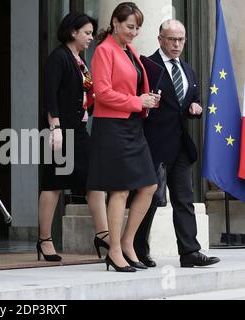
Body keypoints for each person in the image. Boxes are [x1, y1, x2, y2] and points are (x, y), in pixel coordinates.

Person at [134, 20, 220, 268]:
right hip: (154, 144)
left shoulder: (187, 69)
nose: (177, 44)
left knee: (184, 199)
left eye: (181, 39)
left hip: (181, 145)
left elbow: (192, 100)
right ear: (160, 39)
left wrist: (196, 107)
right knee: (148, 200)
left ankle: (190, 251)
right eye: (172, 39)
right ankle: (139, 250)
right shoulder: (148, 66)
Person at [87, 2, 159, 272]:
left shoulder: (129, 50)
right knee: (119, 190)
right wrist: (137, 101)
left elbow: (135, 86)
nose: (134, 32)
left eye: (138, 27)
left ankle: (127, 243)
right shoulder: (104, 50)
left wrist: (148, 100)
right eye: (130, 26)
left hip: (131, 126)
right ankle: (114, 250)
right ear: (115, 22)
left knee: (149, 186)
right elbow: (102, 94)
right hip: (112, 127)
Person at [39, 12, 109, 262]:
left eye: (92, 33)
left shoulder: (80, 60)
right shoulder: (58, 57)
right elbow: (50, 94)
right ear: (73, 32)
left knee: (95, 180)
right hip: (60, 130)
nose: (91, 37)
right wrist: (55, 127)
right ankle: (45, 239)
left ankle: (103, 234)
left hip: (79, 131)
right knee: (54, 184)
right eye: (87, 33)